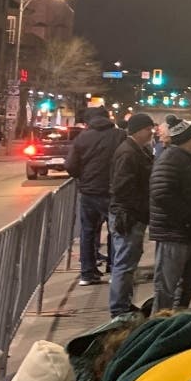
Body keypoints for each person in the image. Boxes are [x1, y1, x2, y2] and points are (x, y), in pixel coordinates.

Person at [148, 116, 191, 313]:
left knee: (185, 284)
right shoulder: (172, 159)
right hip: (174, 234)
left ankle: (176, 317)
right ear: (186, 140)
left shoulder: (189, 159)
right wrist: (187, 219)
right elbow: (161, 193)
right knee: (166, 287)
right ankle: (160, 323)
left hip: (187, 233)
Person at [67, 108, 125, 286]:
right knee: (116, 231)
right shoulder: (119, 135)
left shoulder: (82, 138)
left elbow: (70, 165)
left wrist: (83, 176)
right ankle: (114, 270)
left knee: (88, 231)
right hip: (113, 191)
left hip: (89, 192)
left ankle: (87, 273)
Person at [106, 113, 154, 317]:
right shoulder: (128, 153)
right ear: (139, 130)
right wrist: (141, 207)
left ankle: (124, 303)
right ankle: (119, 308)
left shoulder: (136, 150)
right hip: (128, 216)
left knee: (127, 262)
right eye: (148, 129)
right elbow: (122, 188)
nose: (151, 133)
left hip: (130, 214)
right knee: (124, 264)